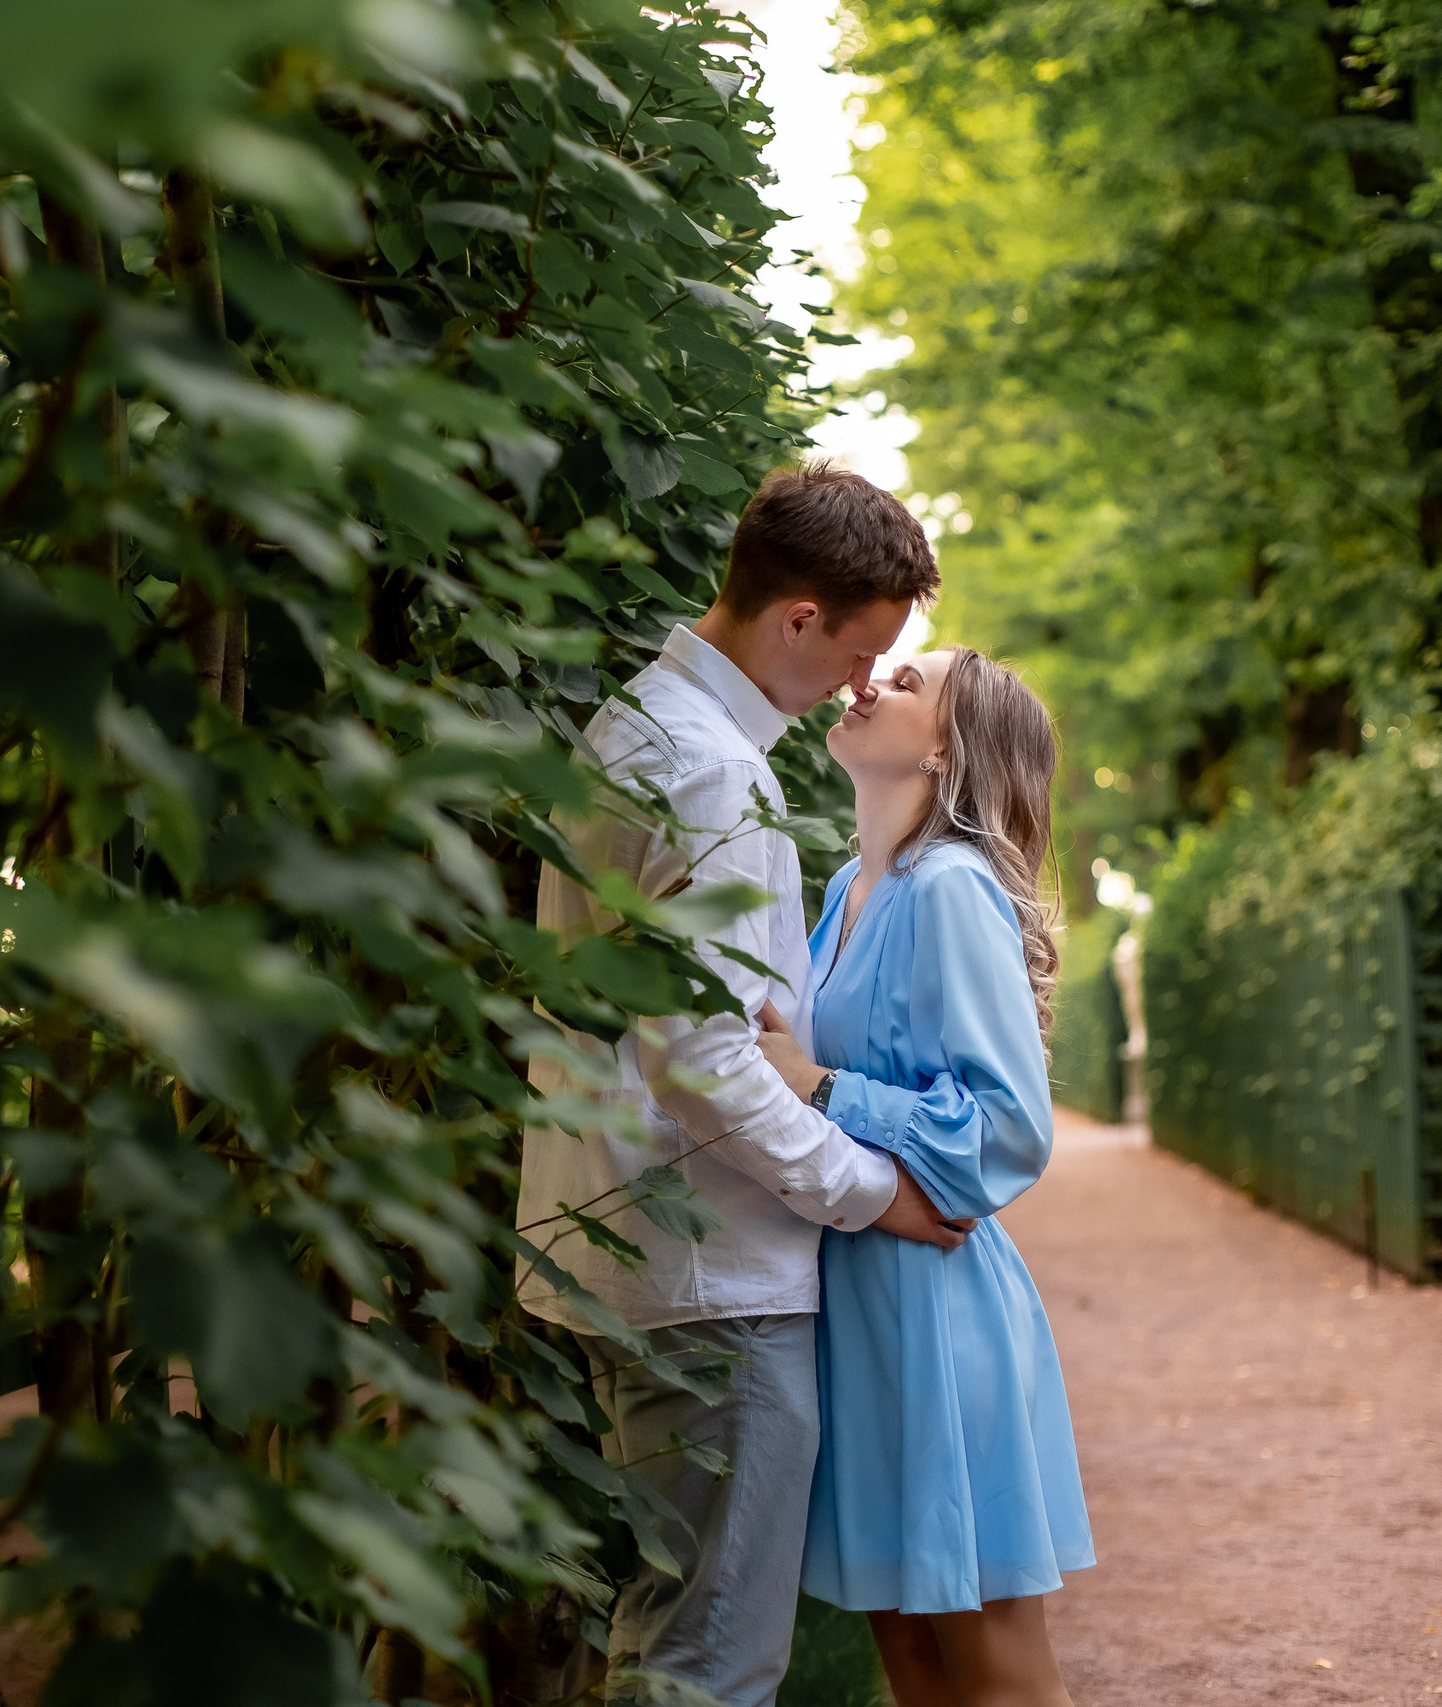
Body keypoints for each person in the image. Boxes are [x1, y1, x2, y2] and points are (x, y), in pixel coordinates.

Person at [515, 464, 968, 1706]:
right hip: (711, 1271)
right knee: (709, 1663)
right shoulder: (713, 771)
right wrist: (875, 1192)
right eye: (861, 651)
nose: (862, 686)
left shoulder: (638, 724)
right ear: (799, 618)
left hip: (636, 1244)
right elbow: (709, 1059)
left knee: (667, 1639)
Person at [755, 646, 1094, 1707]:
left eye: (906, 685)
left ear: (946, 748)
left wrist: (819, 1087)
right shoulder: (851, 884)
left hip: (938, 1311)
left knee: (995, 1674)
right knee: (911, 1669)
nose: (866, 685)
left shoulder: (949, 888)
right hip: (855, 1304)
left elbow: (1006, 1131)